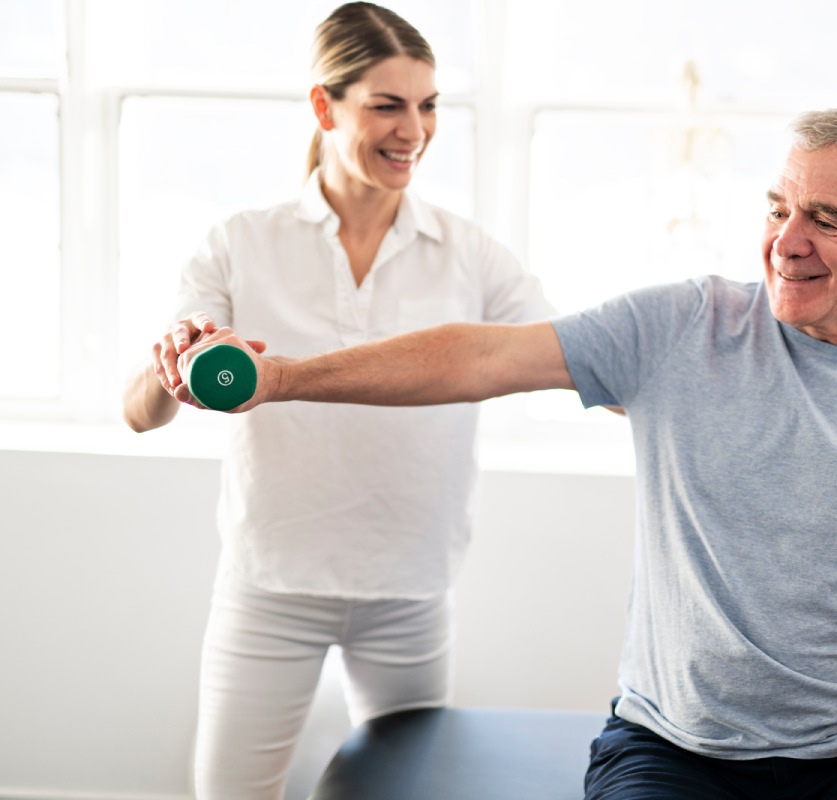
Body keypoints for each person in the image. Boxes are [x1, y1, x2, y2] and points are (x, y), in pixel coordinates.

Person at [163, 107, 837, 800]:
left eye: (826, 219)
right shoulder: (684, 327)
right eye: (780, 209)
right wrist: (280, 378)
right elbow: (479, 355)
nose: (787, 243)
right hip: (676, 750)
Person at [122, 3, 553, 798]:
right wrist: (168, 368)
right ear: (325, 107)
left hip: (409, 588)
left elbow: (566, 355)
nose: (414, 130)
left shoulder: (470, 255)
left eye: (428, 106)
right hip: (270, 586)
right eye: (387, 104)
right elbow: (141, 412)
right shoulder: (241, 242)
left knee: (411, 792)